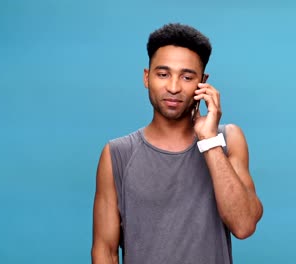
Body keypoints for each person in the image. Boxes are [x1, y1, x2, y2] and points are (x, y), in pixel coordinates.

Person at [91, 23, 263, 264]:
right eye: (163, 74)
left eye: (187, 76)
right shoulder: (117, 154)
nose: (173, 87)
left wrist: (209, 141)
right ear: (146, 77)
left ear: (203, 83)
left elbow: (244, 225)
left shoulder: (228, 140)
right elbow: (105, 251)